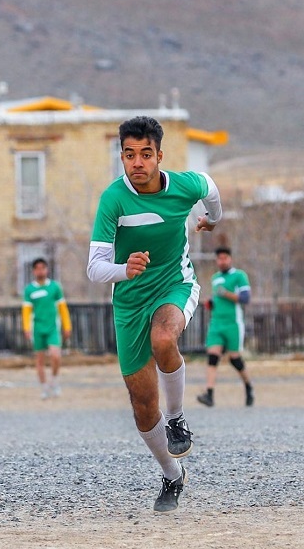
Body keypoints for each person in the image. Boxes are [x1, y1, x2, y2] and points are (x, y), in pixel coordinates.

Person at [87, 116, 222, 512]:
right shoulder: (113, 199)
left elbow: (212, 190)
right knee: (143, 406)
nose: (137, 163)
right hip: (128, 301)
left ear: (159, 156)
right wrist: (123, 269)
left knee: (164, 338)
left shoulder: (185, 185)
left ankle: (178, 418)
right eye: (129, 155)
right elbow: (94, 268)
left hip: (173, 284)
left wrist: (211, 220)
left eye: (146, 154)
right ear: (122, 158)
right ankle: (171, 474)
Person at [196, 247, 254, 408]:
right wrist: (210, 303)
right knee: (213, 356)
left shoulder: (239, 276)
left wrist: (226, 294)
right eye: (219, 258)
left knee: (235, 359)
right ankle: (209, 394)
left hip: (233, 323)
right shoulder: (215, 278)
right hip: (216, 323)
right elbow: (216, 298)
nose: (222, 261)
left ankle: (249, 386)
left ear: (230, 259)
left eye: (225, 258)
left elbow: (245, 298)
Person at [21, 257, 71, 399]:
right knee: (40, 360)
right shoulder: (29, 290)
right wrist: (26, 328)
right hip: (37, 328)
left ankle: (54, 381)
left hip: (52, 328)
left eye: (42, 268)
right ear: (33, 271)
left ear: (47, 269)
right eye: (37, 268)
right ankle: (44, 388)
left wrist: (67, 325)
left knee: (56, 355)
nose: (40, 271)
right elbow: (26, 311)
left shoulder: (54, 287)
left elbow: (62, 308)